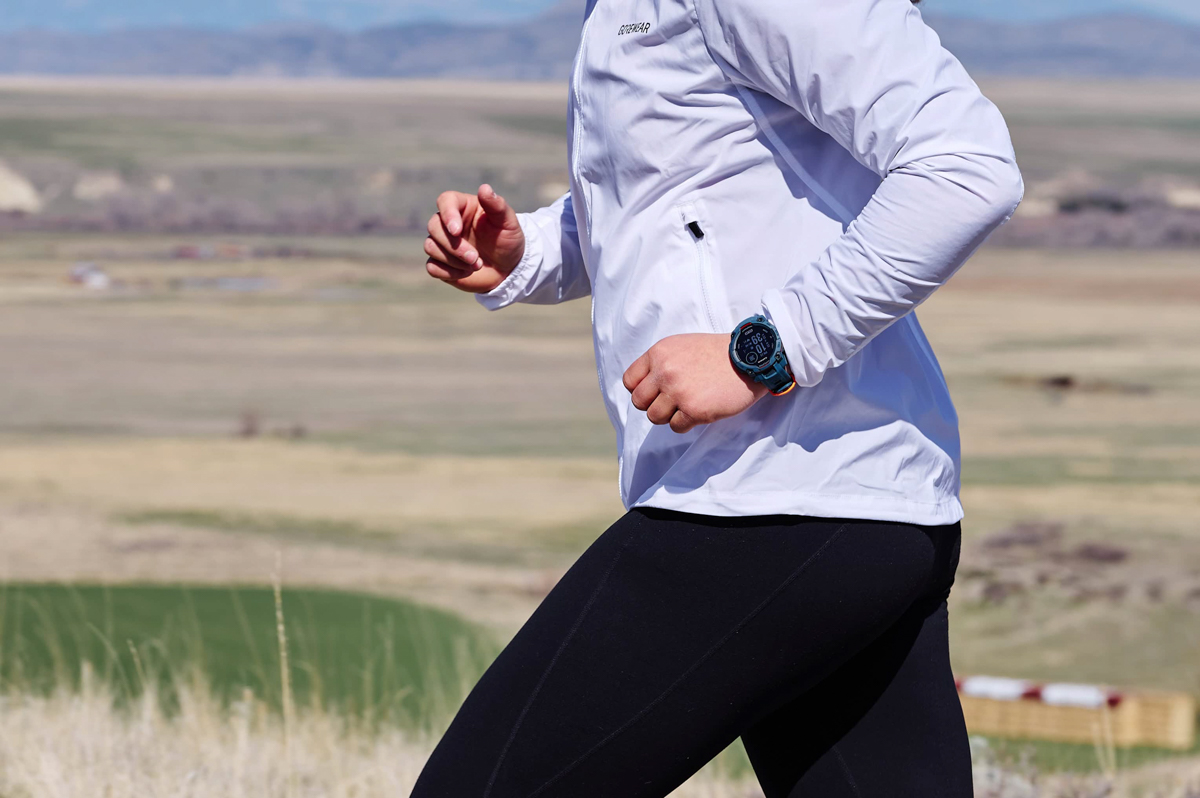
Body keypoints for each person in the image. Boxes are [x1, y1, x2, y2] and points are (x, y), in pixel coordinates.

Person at [413, 0, 1022, 793]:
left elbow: (966, 167)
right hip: (846, 506)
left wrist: (760, 351)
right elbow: (689, 201)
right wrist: (530, 254)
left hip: (772, 501)